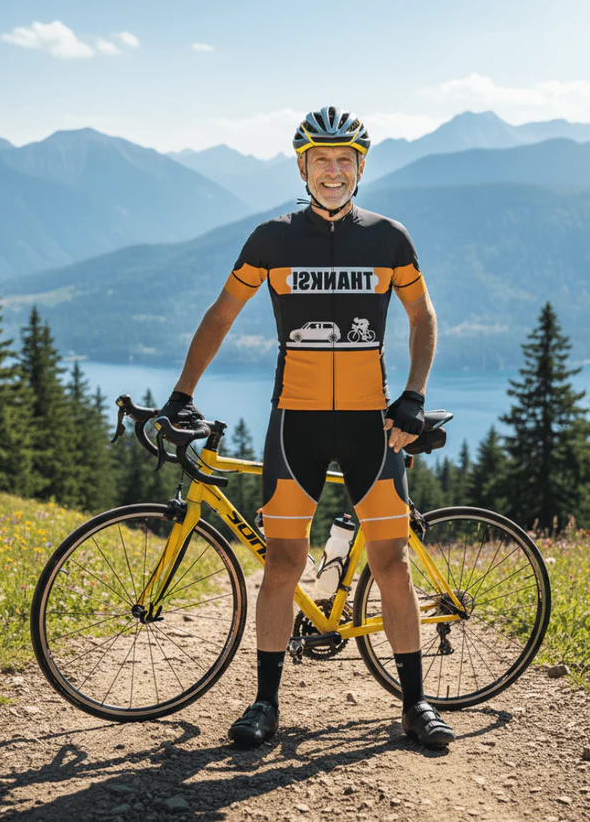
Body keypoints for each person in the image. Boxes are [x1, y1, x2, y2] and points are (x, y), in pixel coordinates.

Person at [158, 106, 455, 750]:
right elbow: (221, 314)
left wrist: (413, 394)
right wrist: (182, 393)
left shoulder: (389, 239)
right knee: (286, 561)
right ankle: (265, 704)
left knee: (392, 561)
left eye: (344, 159)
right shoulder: (271, 238)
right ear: (302, 167)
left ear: (359, 168)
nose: (332, 170)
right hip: (295, 422)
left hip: (367, 427)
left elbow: (423, 315)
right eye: (320, 159)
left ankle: (416, 703)